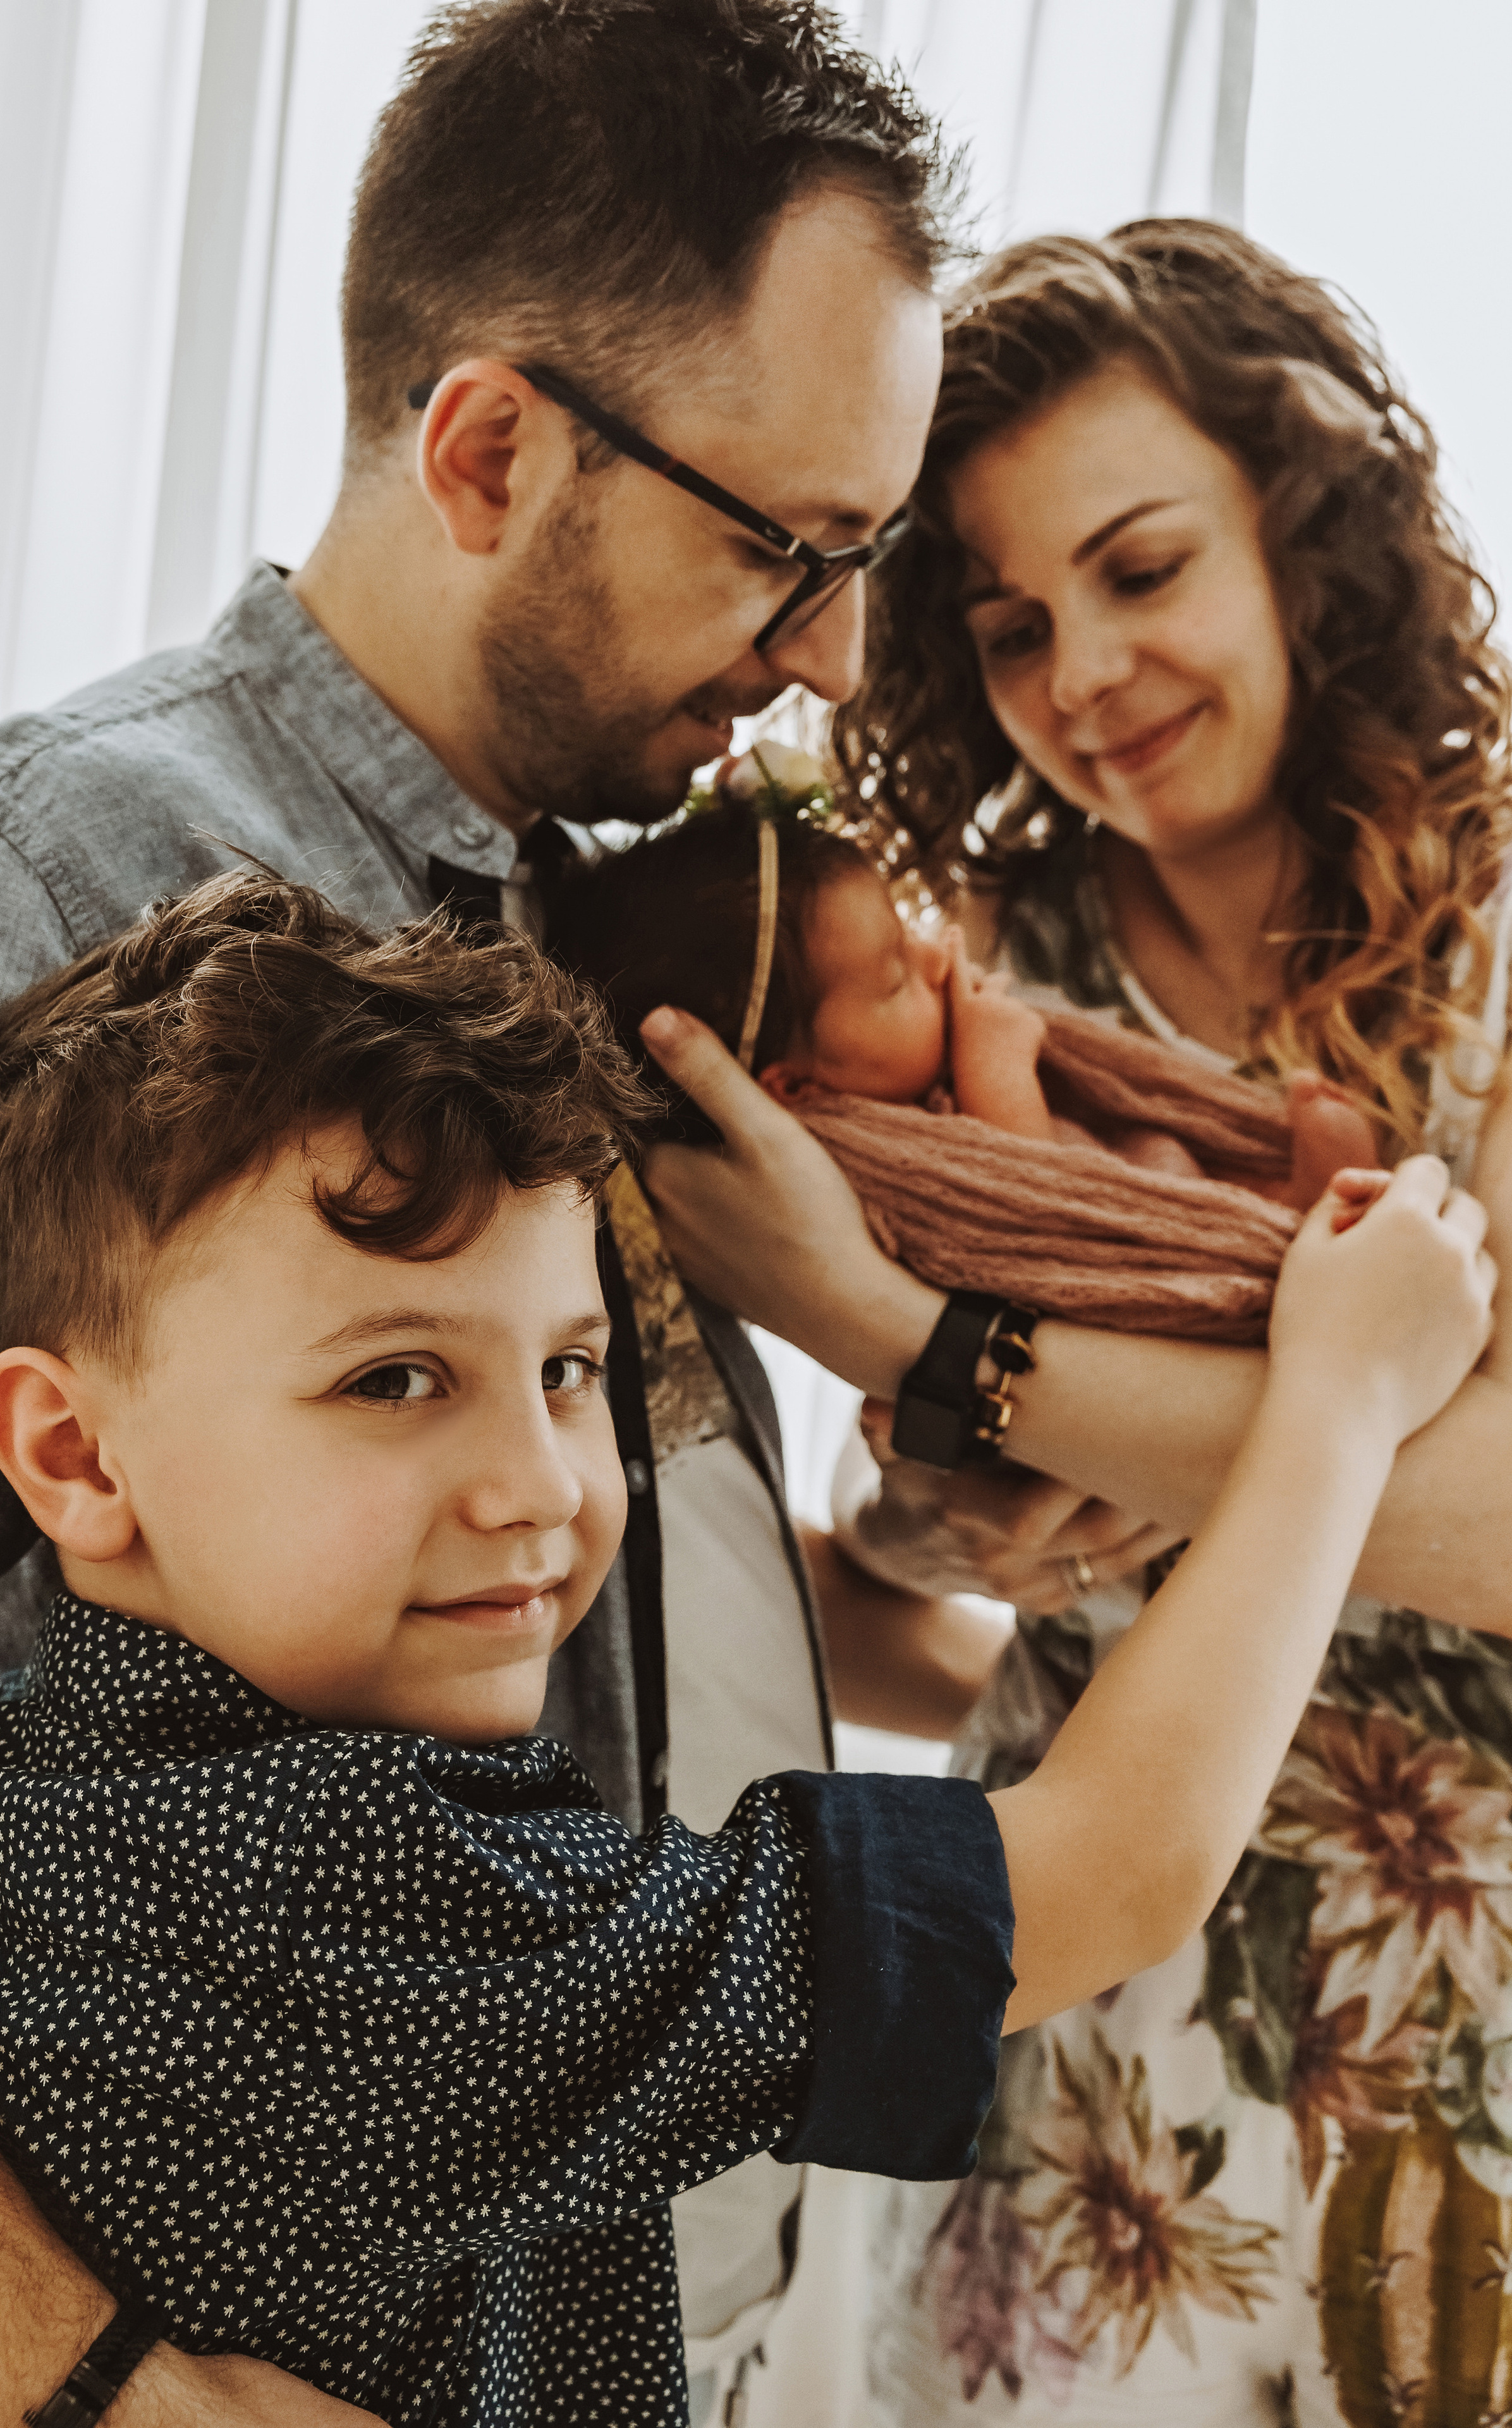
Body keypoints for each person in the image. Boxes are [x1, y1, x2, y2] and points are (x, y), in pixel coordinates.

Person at [0, 7, 975, 2420]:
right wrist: (54, 2365)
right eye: (784, 551)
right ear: (486, 447)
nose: (828, 662)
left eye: (865, 563)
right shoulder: (45, 869)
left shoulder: (628, 918)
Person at [0, 868, 1494, 2428]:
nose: (536, 1485)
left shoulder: (10, 1789)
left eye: (570, 1368)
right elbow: (1113, 1869)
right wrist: (1340, 1394)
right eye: (391, 1381)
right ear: (75, 1456)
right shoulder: (329, 1876)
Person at [785, 219, 1512, 2417]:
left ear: (1304, 531)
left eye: (1140, 567)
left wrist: (1005, 1382)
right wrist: (963, 1502)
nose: (1081, 670)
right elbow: (904, 1567)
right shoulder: (966, 986)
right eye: (1008, 626)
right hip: (1087, 2053)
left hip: (1452, 2037)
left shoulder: (1496, 938)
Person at [552, 796, 1381, 1344]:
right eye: (891, 979)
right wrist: (998, 1064)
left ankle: (1284, 1207)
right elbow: (1038, 1209)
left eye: (906, 931)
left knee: (1156, 1152)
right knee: (1151, 1170)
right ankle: (1291, 1237)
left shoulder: (907, 1086)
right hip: (1105, 1274)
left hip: (1122, 1210)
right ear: (792, 1088)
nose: (931, 959)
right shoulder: (870, 1163)